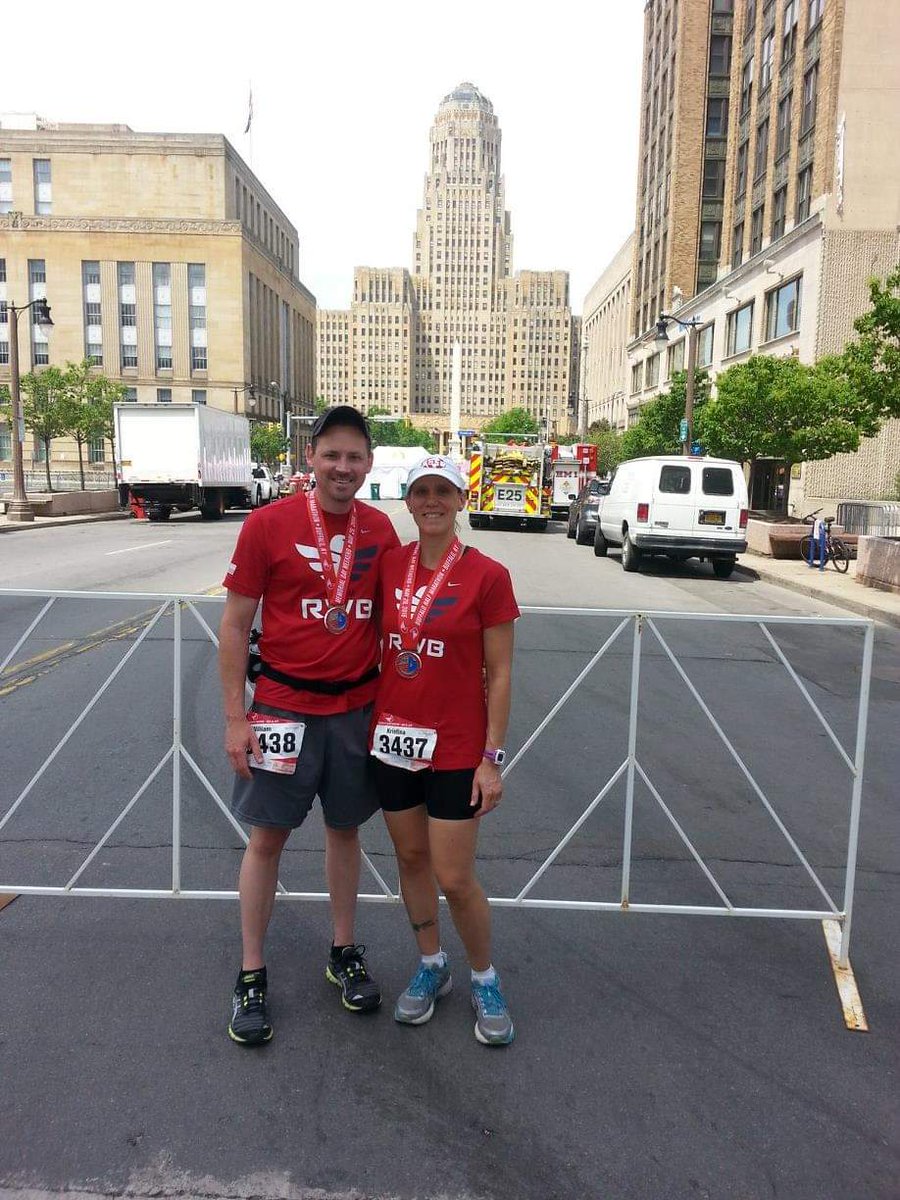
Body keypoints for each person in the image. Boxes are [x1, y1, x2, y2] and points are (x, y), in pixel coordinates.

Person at [218, 405, 400, 1046]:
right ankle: (250, 972)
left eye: (355, 456)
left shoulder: (380, 531)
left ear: (369, 464)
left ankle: (343, 950)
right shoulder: (267, 525)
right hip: (281, 710)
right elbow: (237, 627)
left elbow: (396, 625)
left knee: (345, 833)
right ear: (311, 458)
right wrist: (237, 720)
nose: (343, 467)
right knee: (266, 841)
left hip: (354, 712)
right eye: (332, 455)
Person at [370, 454, 520, 1045]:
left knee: (455, 877)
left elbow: (501, 674)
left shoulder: (488, 574)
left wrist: (493, 757)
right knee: (410, 863)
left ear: (461, 500)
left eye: (444, 491)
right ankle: (432, 964)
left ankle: (485, 977)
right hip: (392, 741)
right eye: (421, 491)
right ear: (408, 502)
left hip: (457, 748)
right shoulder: (387, 566)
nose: (432, 501)